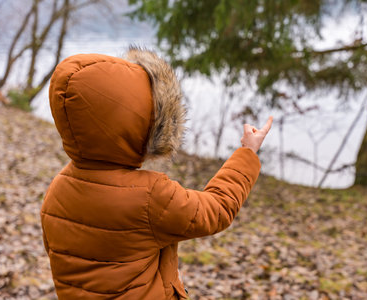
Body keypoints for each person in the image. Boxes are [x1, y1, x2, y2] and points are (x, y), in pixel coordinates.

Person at [40, 47, 273, 299]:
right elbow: (216, 210)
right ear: (137, 126)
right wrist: (247, 153)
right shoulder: (151, 197)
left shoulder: (57, 191)